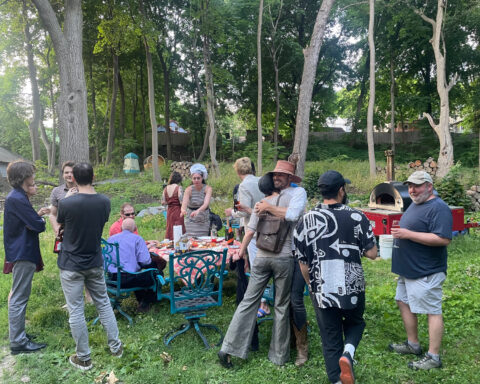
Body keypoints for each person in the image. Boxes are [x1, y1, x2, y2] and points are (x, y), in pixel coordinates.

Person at [218, 160, 306, 368]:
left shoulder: (265, 202)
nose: (277, 177)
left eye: (280, 175)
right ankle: (278, 356)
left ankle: (229, 348)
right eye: (275, 175)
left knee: (249, 301)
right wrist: (241, 253)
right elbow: (252, 229)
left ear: (289, 178)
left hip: (262, 258)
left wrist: (242, 252)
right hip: (283, 258)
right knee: (281, 305)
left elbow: (251, 230)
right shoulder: (290, 197)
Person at [294, 170, 377, 384]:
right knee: (356, 323)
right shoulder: (357, 216)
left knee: (330, 338)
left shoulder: (305, 220)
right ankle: (348, 353)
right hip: (352, 285)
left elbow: (303, 263)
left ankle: (337, 381)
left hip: (321, 286)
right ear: (341, 190)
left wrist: (312, 285)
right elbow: (372, 253)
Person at [57, 162, 122, 371]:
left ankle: (84, 358)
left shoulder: (67, 204)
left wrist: (66, 199)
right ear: (93, 177)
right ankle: (116, 347)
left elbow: (61, 225)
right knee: (103, 303)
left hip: (71, 264)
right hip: (94, 261)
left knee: (76, 309)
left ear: (74, 178)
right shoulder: (105, 202)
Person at [389, 171, 452, 371]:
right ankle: (413, 344)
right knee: (403, 301)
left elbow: (443, 239)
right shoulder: (417, 204)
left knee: (432, 311)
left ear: (429, 186)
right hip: (409, 269)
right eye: (410, 186)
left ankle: (433, 357)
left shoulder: (439, 208)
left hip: (426, 270)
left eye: (417, 186)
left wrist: (408, 234)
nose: (412, 190)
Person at [4, 161, 50, 355]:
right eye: (31, 174)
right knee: (19, 297)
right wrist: (38, 219)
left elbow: (30, 222)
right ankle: (18, 342)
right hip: (22, 252)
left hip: (22, 250)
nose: (34, 177)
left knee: (21, 295)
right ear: (23, 177)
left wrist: (36, 217)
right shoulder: (17, 198)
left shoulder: (18, 197)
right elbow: (38, 226)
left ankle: (19, 335)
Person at [224, 157, 267, 318]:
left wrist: (232, 212)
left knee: (256, 267)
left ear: (237, 171)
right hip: (269, 228)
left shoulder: (244, 185)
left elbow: (243, 210)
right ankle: (266, 297)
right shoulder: (261, 181)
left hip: (254, 230)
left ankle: (262, 302)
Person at [107, 218, 164, 313]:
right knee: (156, 274)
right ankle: (146, 302)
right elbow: (145, 261)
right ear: (135, 228)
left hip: (111, 279)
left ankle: (141, 300)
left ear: (121, 228)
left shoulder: (111, 239)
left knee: (138, 274)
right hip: (127, 279)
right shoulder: (137, 239)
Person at [181, 163, 212, 237]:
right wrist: (183, 210)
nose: (196, 180)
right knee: (191, 240)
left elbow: (206, 204)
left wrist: (198, 211)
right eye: (194, 178)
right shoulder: (188, 189)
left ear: (202, 178)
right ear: (192, 179)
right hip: (190, 220)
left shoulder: (208, 189)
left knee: (203, 240)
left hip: (203, 220)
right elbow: (184, 204)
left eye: (198, 178)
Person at [49, 161, 76, 235]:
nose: (69, 175)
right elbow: (52, 214)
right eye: (66, 173)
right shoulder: (56, 191)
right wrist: (57, 229)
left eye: (72, 172)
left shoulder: (83, 189)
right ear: (63, 175)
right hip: (63, 232)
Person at [161, 171, 185, 240]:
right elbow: (181, 201)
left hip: (169, 212)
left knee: (170, 229)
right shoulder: (178, 188)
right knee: (179, 229)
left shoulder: (165, 188)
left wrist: (170, 201)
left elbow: (163, 202)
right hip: (177, 211)